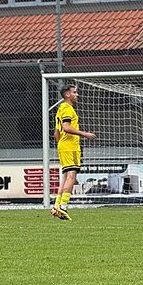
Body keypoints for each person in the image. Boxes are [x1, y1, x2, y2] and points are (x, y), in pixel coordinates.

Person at [52, 85, 96, 221]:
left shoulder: (61, 109)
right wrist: (85, 134)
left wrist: (61, 144)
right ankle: (63, 207)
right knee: (71, 176)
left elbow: (56, 133)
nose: (77, 95)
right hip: (69, 146)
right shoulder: (67, 108)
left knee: (66, 177)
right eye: (75, 92)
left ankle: (56, 206)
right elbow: (66, 127)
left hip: (66, 146)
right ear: (67, 95)